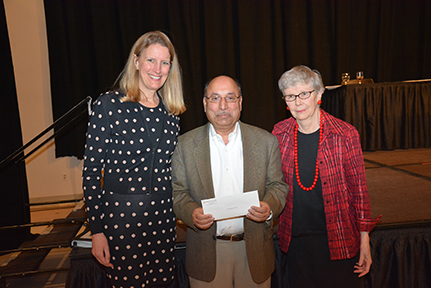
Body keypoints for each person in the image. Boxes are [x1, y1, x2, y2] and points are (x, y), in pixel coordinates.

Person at [82, 30, 186, 288]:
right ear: (137, 62)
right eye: (151, 60)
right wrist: (97, 230)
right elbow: (92, 172)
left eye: (165, 63)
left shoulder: (171, 111)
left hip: (163, 218)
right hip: (122, 221)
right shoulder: (109, 105)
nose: (157, 69)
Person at [171, 75, 288, 288]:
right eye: (215, 98)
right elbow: (177, 192)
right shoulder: (184, 145)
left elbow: (278, 186)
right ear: (205, 104)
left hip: (254, 251)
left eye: (230, 98)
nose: (223, 105)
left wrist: (269, 206)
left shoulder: (266, 142)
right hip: (206, 253)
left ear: (240, 103)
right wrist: (191, 212)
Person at [272, 65, 382, 288]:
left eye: (304, 94)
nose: (298, 102)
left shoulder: (345, 133)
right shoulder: (279, 133)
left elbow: (359, 190)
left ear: (319, 94)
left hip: (338, 239)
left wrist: (364, 239)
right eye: (291, 96)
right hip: (296, 242)